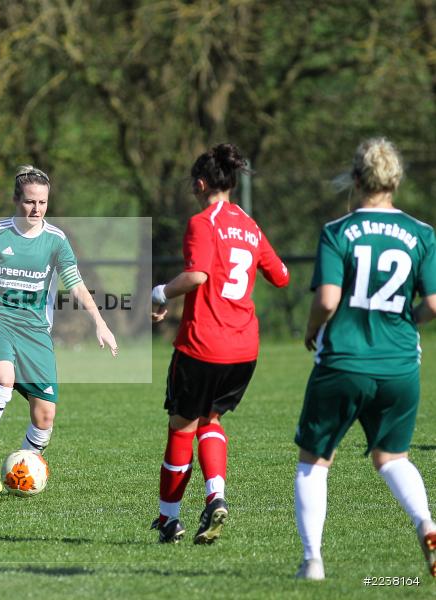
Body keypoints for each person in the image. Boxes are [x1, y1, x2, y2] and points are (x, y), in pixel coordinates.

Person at [294, 138, 436, 580]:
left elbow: (329, 298)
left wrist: (312, 329)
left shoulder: (338, 231)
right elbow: (434, 304)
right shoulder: (423, 234)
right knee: (392, 457)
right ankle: (427, 524)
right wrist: (405, 320)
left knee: (314, 461)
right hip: (399, 365)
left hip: (345, 361)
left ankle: (313, 561)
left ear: (356, 180)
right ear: (395, 181)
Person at [0, 165, 119, 494]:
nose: (36, 209)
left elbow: (75, 285)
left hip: (36, 331)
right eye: (30, 202)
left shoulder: (56, 240)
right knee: (3, 379)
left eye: (43, 203)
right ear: (15, 200)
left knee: (45, 416)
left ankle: (24, 470)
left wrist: (100, 322)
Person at [150, 143, 290, 544]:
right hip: (244, 348)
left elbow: (195, 276)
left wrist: (159, 293)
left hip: (202, 344)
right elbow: (280, 275)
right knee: (211, 420)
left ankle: (169, 520)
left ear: (199, 183)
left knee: (181, 427)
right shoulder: (250, 225)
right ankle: (216, 497)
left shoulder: (202, 222)